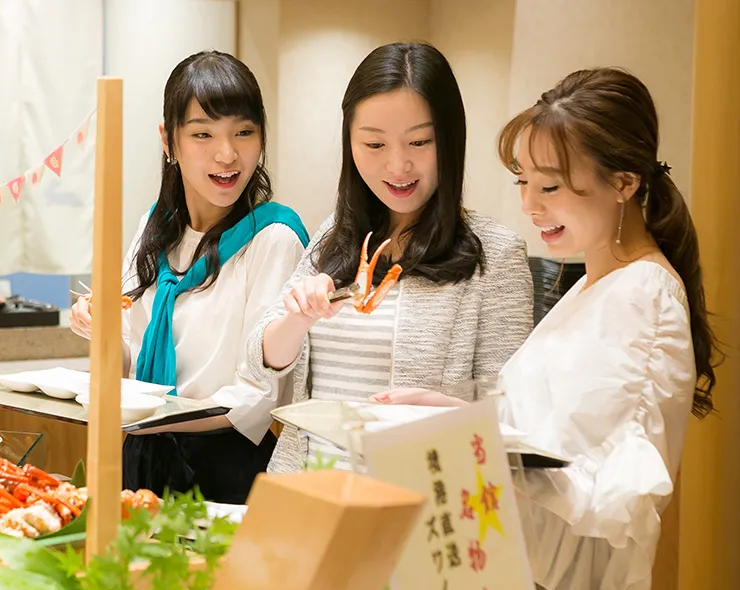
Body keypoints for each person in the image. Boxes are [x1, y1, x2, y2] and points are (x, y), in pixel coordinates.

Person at [378, 67, 720, 590]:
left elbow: (614, 498)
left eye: (552, 186)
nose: (531, 206)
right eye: (523, 182)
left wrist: (475, 436)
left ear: (625, 182)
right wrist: (459, 419)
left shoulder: (643, 294)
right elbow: (550, 438)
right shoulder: (593, 284)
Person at [246, 42, 533, 477]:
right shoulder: (334, 237)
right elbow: (261, 357)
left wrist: (448, 411)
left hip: (416, 510)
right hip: (308, 494)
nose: (398, 165)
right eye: (374, 144)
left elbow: (513, 419)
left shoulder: (495, 255)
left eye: (419, 141)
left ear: (450, 140)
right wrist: (297, 317)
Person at [69, 51, 308, 505]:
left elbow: (259, 396)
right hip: (138, 457)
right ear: (168, 141)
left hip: (226, 470)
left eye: (244, 132)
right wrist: (97, 330)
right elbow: (123, 366)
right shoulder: (153, 229)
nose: (227, 154)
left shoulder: (274, 238)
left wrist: (152, 416)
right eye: (202, 134)